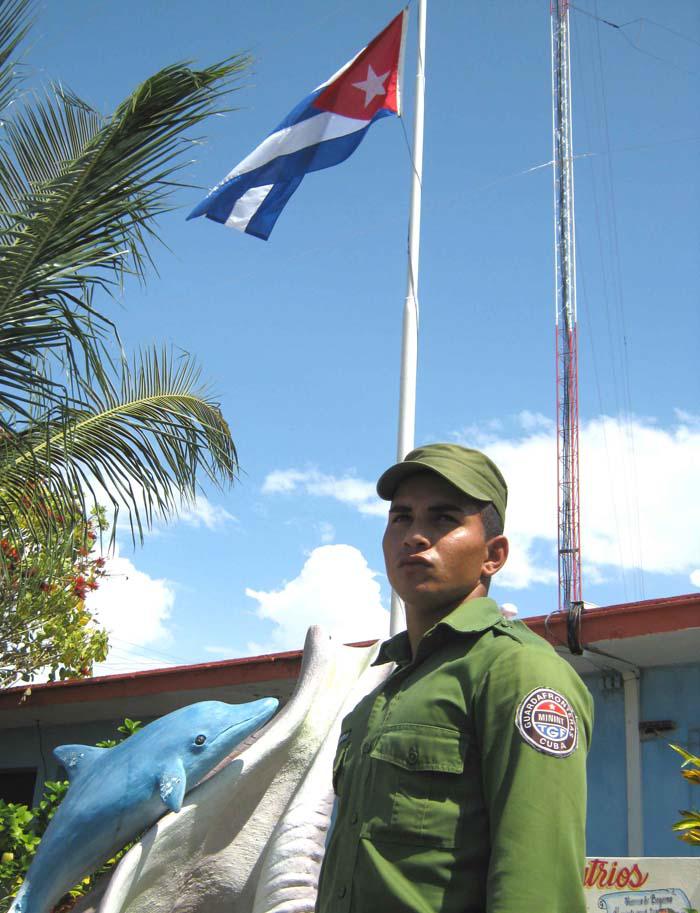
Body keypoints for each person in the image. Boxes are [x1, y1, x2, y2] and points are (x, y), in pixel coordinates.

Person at [315, 443, 593, 913]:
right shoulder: (382, 693)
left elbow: (537, 886)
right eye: (401, 518)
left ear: (494, 555)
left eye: (443, 519)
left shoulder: (517, 671)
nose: (414, 536)